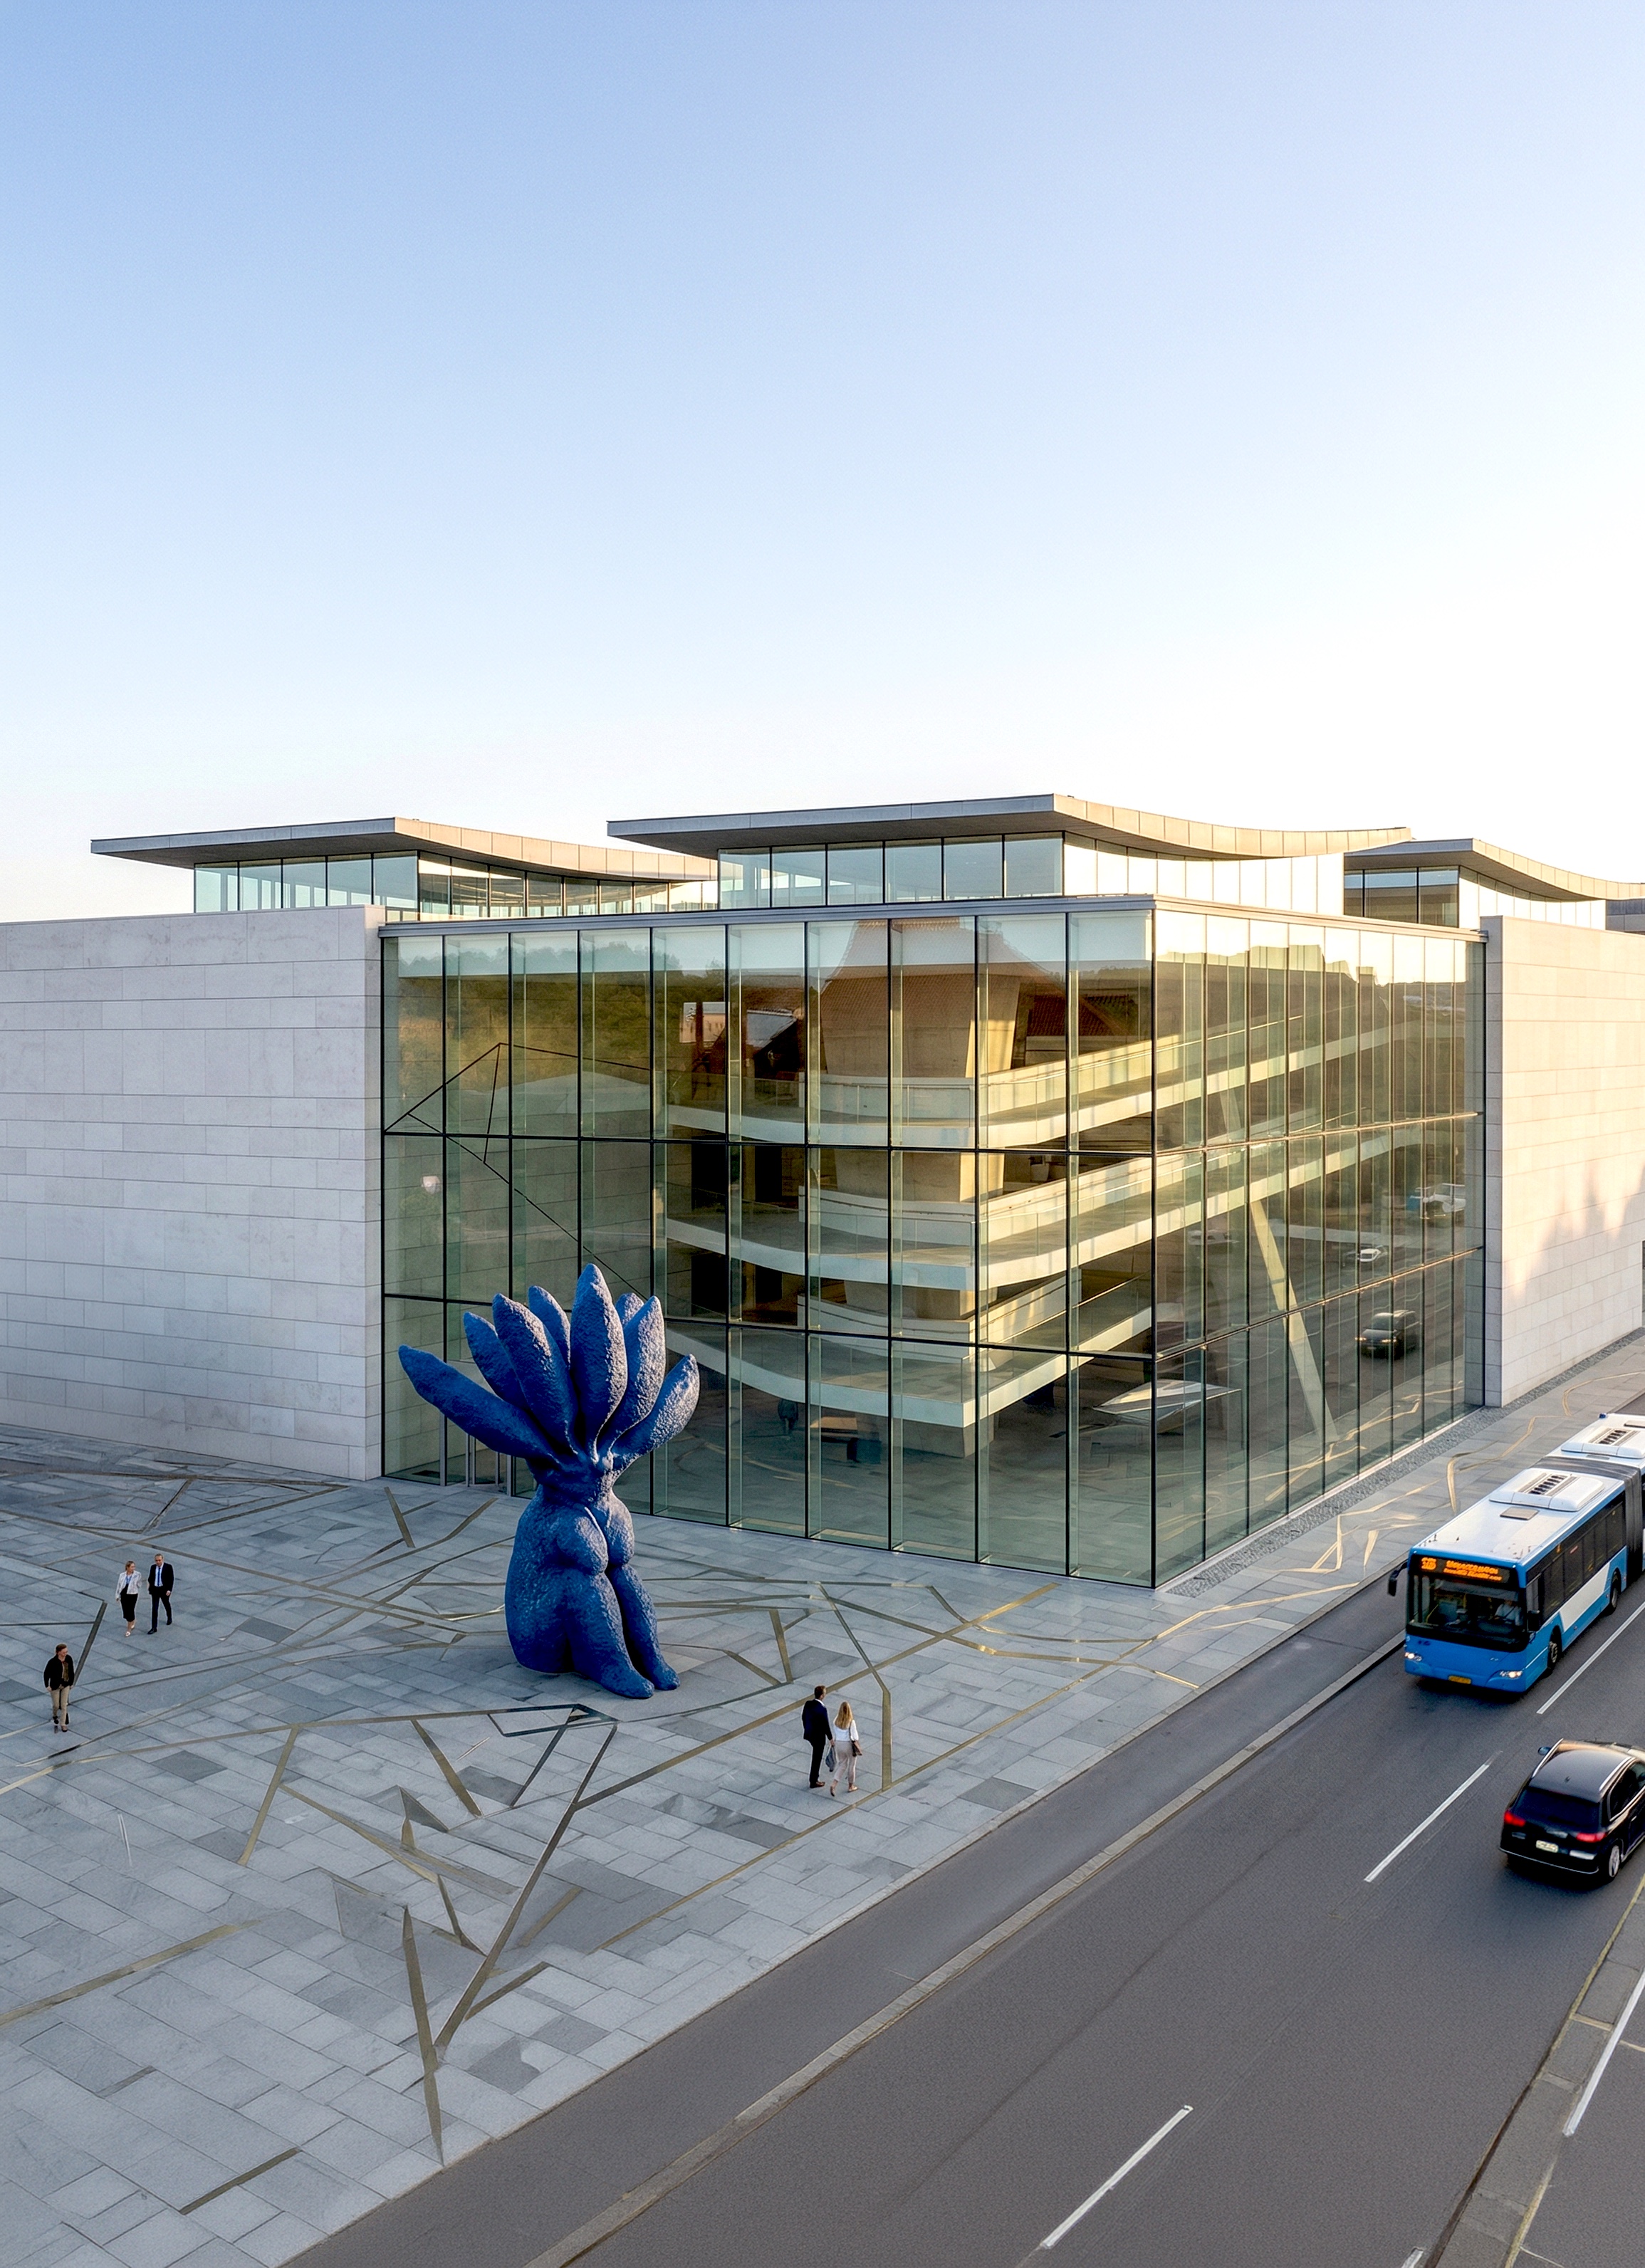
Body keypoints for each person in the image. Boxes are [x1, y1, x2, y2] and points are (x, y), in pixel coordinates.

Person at [828, 1699, 862, 1797]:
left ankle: (834, 1784)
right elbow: (855, 1737)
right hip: (848, 1745)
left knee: (842, 1765)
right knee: (852, 1765)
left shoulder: (836, 1721)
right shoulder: (851, 1722)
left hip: (838, 1744)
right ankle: (851, 1786)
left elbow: (834, 1733)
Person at [802, 1685, 831, 1789]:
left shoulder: (808, 1704)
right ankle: (814, 1780)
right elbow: (826, 1725)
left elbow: (804, 1717)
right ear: (822, 1696)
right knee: (817, 1759)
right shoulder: (822, 1709)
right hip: (819, 1737)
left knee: (816, 1756)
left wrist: (807, 1729)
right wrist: (831, 1738)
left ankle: (813, 1778)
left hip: (810, 1735)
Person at [43, 1645, 75, 1732]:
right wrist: (47, 1685)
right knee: (56, 1705)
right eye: (64, 1652)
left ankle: (63, 1724)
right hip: (55, 1686)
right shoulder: (52, 1662)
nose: (66, 1654)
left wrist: (71, 1683)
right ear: (58, 1652)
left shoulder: (68, 1659)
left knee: (64, 1705)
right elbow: (46, 1674)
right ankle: (55, 1715)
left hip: (66, 1684)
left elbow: (71, 1671)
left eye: (66, 1652)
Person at [147, 1551, 174, 1632]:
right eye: (156, 1561)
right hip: (155, 1590)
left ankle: (169, 1617)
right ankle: (154, 1627)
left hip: (164, 1590)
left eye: (159, 1560)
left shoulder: (168, 1567)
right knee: (155, 1609)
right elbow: (150, 1578)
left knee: (166, 1604)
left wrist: (169, 1589)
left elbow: (171, 1579)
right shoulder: (153, 1567)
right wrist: (150, 1588)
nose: (158, 1562)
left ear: (162, 1560)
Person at [117, 1561, 141, 1634]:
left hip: (133, 1593)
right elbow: (119, 1585)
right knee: (125, 1609)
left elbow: (139, 1584)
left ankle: (129, 1629)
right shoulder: (122, 1575)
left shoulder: (137, 1575)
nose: (133, 1568)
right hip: (124, 1593)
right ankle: (133, 1620)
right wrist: (117, 1595)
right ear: (127, 1567)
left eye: (134, 1567)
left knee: (130, 1609)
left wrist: (135, 1584)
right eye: (132, 1567)